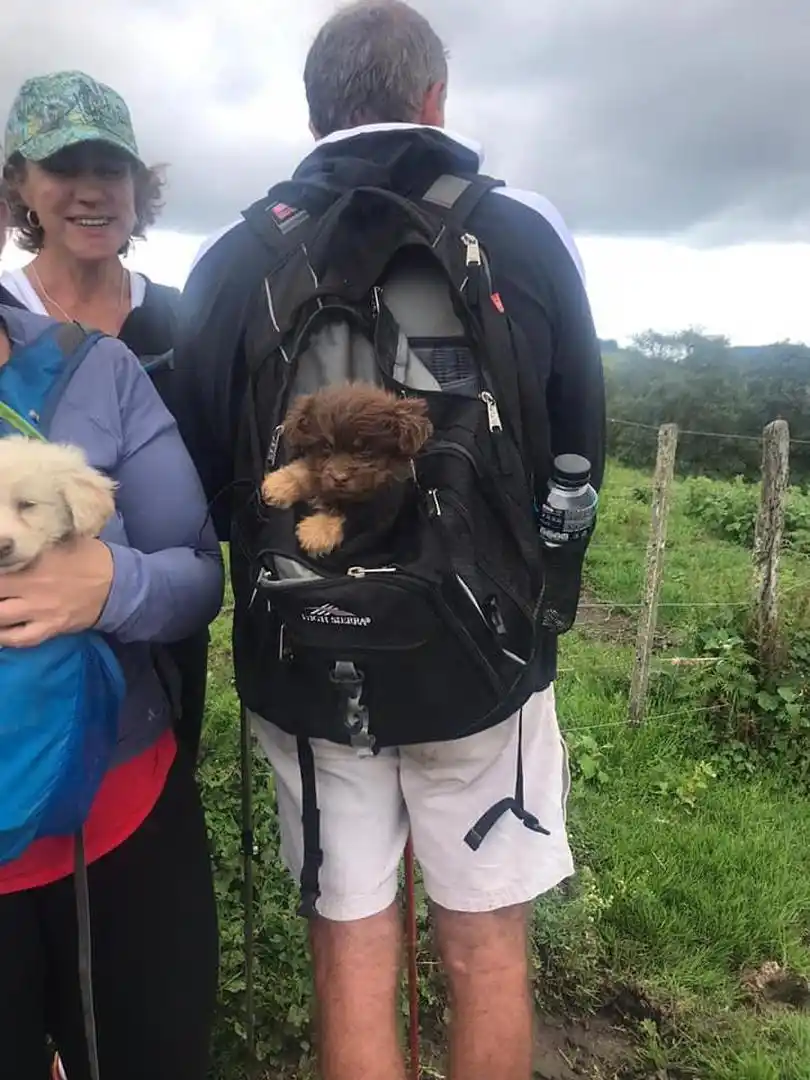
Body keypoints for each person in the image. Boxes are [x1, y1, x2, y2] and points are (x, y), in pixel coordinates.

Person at [172, 3, 606, 1079]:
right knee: (486, 943)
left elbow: (201, 465)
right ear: (433, 101)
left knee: (352, 936)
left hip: (307, 655)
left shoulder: (235, 256)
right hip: (483, 656)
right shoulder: (519, 231)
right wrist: (542, 612)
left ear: (314, 107)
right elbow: (579, 446)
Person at [0, 188, 223, 1079]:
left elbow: (199, 574)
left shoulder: (98, 371)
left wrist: (108, 584)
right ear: (24, 189)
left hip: (117, 812)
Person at [0, 69, 210, 762]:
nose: (90, 189)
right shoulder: (11, 316)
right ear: (21, 186)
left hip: (165, 630)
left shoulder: (182, 316)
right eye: (62, 166)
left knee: (169, 763)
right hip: (29, 673)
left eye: (110, 168)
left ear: (137, 187)